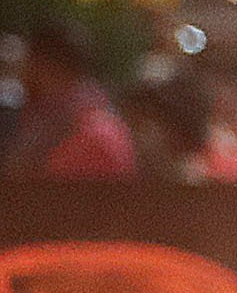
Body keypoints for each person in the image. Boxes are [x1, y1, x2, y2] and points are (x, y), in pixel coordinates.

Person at [3, 19, 140, 177]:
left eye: (29, 64)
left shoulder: (88, 135)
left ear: (46, 68)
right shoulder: (96, 118)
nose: (23, 76)